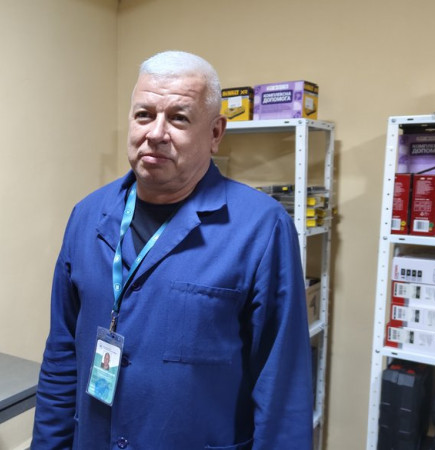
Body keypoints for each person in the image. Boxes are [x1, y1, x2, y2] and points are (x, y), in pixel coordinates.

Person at [32, 50, 313, 449]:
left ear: (215, 133)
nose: (156, 133)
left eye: (179, 118)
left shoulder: (262, 228)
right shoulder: (87, 216)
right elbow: (61, 357)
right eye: (143, 115)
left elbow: (282, 389)